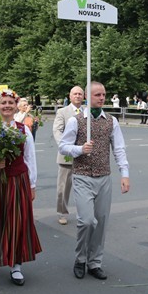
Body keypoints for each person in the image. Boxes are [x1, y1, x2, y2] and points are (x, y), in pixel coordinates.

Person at [60, 82, 130, 280]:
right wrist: (80, 149)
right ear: (87, 97)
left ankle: (95, 261)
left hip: (104, 177)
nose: (101, 98)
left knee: (101, 222)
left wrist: (124, 174)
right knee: (87, 220)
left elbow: (119, 149)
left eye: (103, 94)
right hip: (82, 176)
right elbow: (63, 146)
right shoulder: (76, 121)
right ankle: (80, 258)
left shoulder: (111, 121)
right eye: (97, 94)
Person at [0, 89, 40, 286]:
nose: (7, 106)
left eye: (10, 103)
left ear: (15, 105)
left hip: (17, 180)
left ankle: (16, 265)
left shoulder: (23, 129)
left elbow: (30, 159)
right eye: (3, 103)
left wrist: (32, 184)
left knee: (16, 221)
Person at [53, 86, 84, 225]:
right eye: (75, 94)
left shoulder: (87, 112)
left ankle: (84, 213)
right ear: (70, 96)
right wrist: (66, 147)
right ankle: (62, 213)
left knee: (85, 187)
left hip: (84, 156)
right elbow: (57, 131)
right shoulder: (62, 112)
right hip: (67, 156)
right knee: (63, 187)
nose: (77, 96)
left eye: (80, 94)